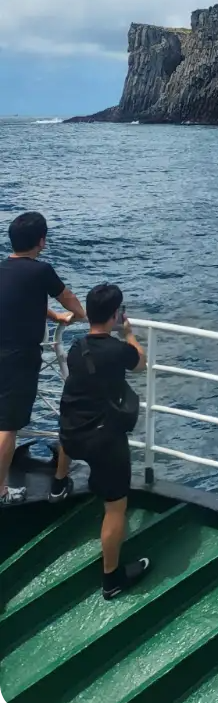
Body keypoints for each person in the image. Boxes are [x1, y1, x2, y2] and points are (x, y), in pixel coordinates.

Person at [59, 283, 152, 600]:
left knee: (67, 426)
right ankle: (112, 579)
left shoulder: (75, 347)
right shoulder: (117, 350)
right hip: (103, 441)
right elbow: (141, 362)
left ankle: (60, 482)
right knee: (116, 508)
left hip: (71, 435)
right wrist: (129, 335)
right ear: (116, 315)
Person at [0, 212, 86, 506]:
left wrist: (52, 316)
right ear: (41, 241)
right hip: (18, 357)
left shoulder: (3, 269)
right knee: (7, 427)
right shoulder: (41, 271)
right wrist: (80, 315)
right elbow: (68, 298)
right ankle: (0, 491)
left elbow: (19, 298)